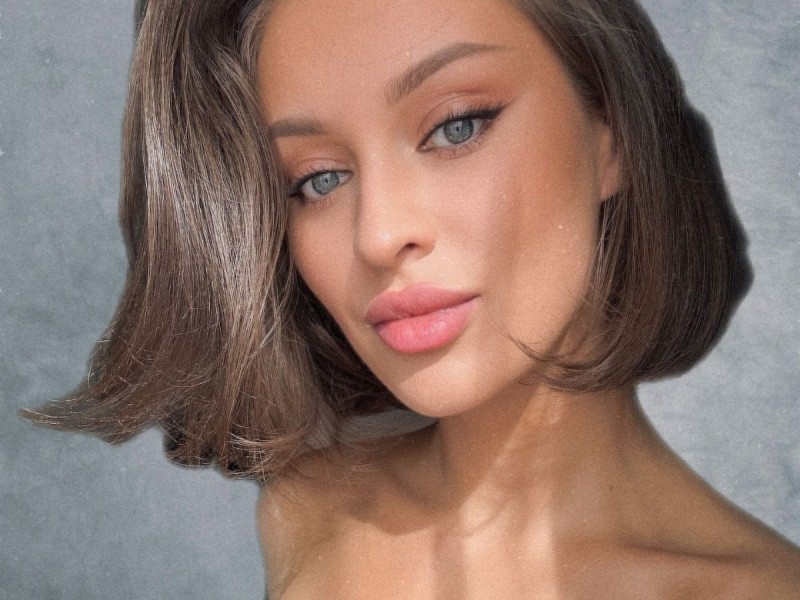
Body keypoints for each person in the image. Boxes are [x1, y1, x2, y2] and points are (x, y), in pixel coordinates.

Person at [24, 0, 800, 597]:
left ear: (612, 130)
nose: (379, 234)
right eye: (318, 180)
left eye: (456, 127)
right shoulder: (305, 511)